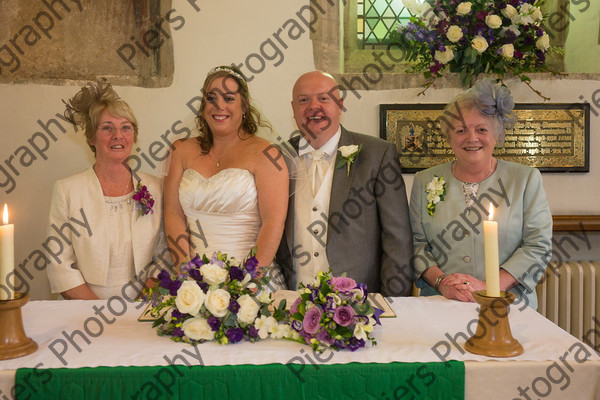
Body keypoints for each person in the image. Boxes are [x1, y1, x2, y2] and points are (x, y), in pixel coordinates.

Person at [409, 79, 552, 309]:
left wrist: (488, 286)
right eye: (461, 130)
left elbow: (537, 246)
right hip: (441, 303)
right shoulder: (424, 180)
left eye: (481, 129)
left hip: (507, 305)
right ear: (449, 137)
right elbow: (415, 244)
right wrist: (441, 282)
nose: (471, 138)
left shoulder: (525, 180)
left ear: (496, 136)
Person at [277, 71, 413, 296]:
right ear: (293, 109)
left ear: (339, 104)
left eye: (323, 98)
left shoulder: (377, 154)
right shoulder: (278, 157)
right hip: (293, 301)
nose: (313, 106)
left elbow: (397, 238)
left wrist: (394, 304)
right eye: (304, 100)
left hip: (360, 303)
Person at [163, 66, 288, 288]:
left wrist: (244, 282)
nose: (219, 106)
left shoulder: (266, 154)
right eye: (212, 98)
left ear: (244, 105)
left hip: (250, 280)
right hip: (192, 279)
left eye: (229, 98)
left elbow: (273, 222)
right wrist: (187, 273)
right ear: (203, 106)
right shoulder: (180, 150)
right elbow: (172, 213)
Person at [47, 79, 165, 300]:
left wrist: (137, 305)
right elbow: (59, 263)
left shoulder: (154, 187)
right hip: (85, 307)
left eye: (125, 128)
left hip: (143, 304)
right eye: (107, 128)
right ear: (91, 137)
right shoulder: (68, 190)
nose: (117, 135)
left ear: (134, 136)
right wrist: (97, 311)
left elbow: (164, 253)